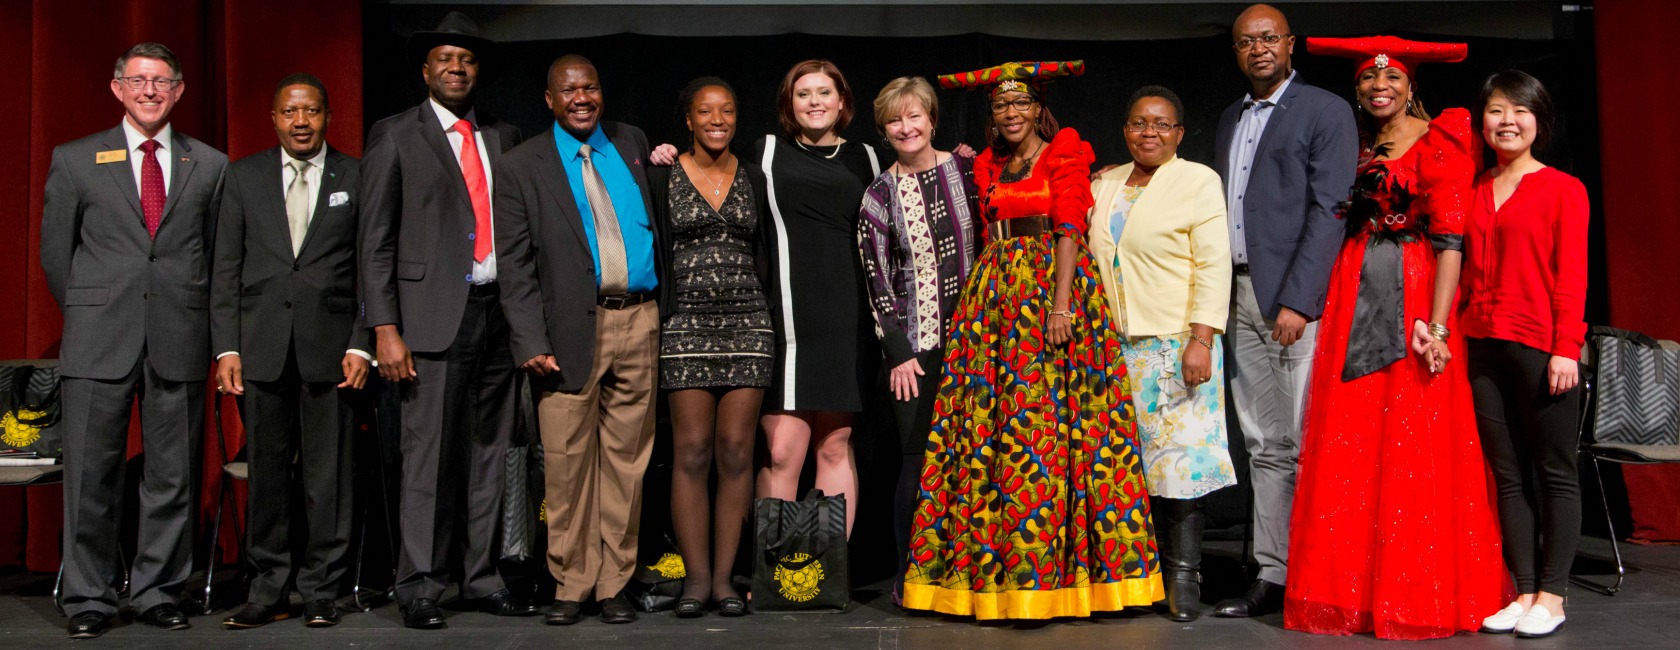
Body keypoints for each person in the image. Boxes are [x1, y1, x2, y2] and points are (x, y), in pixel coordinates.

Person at [902, 60, 1161, 620]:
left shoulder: (1064, 152)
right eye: (1000, 105)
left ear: (1039, 109)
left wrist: (1061, 305)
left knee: (1050, 429)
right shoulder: (991, 162)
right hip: (995, 297)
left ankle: (1062, 575)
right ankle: (986, 571)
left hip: (1050, 291)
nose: (1010, 113)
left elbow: (1068, 226)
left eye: (1020, 104)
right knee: (990, 428)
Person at [1284, 36, 1511, 640]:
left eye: (1389, 79)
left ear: (1411, 85)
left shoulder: (1443, 140)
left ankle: (1414, 595)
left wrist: (1437, 326)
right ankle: (1350, 593)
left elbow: (1451, 242)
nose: (1378, 87)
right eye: (1366, 80)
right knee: (1351, 439)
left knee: (1414, 436)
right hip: (1353, 285)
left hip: (1413, 287)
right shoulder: (1354, 143)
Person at [41, 42, 228, 639]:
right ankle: (88, 598)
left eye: (162, 81)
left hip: (180, 335)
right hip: (100, 339)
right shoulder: (74, 160)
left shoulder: (211, 164)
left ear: (178, 91)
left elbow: (220, 259)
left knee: (172, 476)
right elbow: (55, 256)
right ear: (117, 87)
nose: (150, 91)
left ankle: (158, 592)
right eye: (138, 80)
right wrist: (95, 306)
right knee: (91, 475)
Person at [359, 12, 534, 629]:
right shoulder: (394, 134)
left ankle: (480, 577)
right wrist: (384, 327)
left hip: (497, 317)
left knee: (489, 454)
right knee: (427, 457)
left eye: (466, 59)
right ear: (426, 69)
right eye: (445, 59)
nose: (457, 68)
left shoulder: (503, 136)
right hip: (428, 322)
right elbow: (374, 240)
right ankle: (421, 585)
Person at [495, 54, 662, 627]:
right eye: (569, 90)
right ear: (549, 99)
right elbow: (515, 268)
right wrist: (529, 341)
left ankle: (615, 583)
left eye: (590, 86)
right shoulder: (521, 166)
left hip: (639, 320)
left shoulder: (631, 141)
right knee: (566, 465)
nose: (581, 98)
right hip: (566, 332)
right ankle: (571, 583)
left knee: (627, 463)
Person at [1210, 3, 1358, 619]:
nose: (1259, 48)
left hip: (1292, 302)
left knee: (1303, 440)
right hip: (1237, 296)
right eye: (1247, 41)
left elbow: (1331, 209)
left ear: (1291, 45)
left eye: (1269, 38)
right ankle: (1272, 572)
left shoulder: (1325, 110)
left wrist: (1299, 299)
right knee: (1263, 443)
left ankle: (1318, 572)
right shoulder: (1229, 118)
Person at [211, 73, 368, 629]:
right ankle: (268, 587)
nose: (301, 122)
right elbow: (225, 268)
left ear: (328, 116)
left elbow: (372, 268)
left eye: (311, 112)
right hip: (261, 349)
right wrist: (226, 348)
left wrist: (362, 342)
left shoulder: (356, 173)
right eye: (290, 112)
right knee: (269, 476)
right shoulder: (244, 176)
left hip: (333, 351)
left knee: (329, 478)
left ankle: (322, 588)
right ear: (274, 118)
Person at [1087, 85, 1235, 622]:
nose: (1149, 133)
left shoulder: (1198, 179)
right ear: (1124, 129)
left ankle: (1183, 576)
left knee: (1180, 465)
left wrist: (1201, 338)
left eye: (1161, 124)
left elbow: (1213, 264)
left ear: (1178, 132)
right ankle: (1136, 573)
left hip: (1177, 342)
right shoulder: (1104, 183)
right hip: (1112, 346)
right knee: (1127, 466)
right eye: (1138, 123)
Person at [1462, 71, 1587, 640]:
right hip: (1482, 343)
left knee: (1554, 473)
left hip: (1542, 345)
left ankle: (1553, 596)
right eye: (1495, 110)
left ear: (1540, 120)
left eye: (1519, 110)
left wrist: (1568, 348)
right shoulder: (1475, 188)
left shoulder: (1563, 188)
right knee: (1507, 474)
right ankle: (1524, 589)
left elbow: (1572, 277)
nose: (1506, 121)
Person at [645, 76, 771, 619]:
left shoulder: (756, 176)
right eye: (705, 112)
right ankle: (695, 580)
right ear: (689, 120)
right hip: (686, 325)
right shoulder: (661, 174)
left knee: (737, 453)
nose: (717, 119)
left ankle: (725, 580)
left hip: (749, 324)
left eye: (727, 110)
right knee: (692, 451)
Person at [855, 76, 978, 606]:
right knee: (918, 461)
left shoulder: (970, 171)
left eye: (914, 117)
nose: (906, 128)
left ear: (931, 119)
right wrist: (899, 354)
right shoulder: (878, 195)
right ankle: (912, 578)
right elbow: (876, 280)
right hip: (918, 350)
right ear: (885, 130)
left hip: (979, 343)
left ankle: (972, 571)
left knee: (975, 459)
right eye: (894, 121)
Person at [752, 60, 884, 535]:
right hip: (787, 319)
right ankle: (776, 576)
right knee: (782, 449)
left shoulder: (867, 158)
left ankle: (827, 574)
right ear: (789, 104)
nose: (815, 102)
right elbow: (714, 173)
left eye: (824, 92)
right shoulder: (766, 153)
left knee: (834, 444)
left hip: (847, 323)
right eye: (803, 94)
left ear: (843, 101)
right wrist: (667, 156)